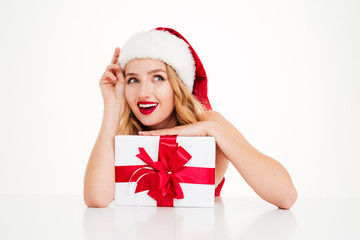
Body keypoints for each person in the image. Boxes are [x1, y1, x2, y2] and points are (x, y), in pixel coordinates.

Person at [83, 27, 297, 209]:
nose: (143, 93)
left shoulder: (209, 123)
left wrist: (213, 130)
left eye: (158, 77)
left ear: (178, 85)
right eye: (133, 80)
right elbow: (97, 198)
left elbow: (286, 196)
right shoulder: (125, 134)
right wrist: (112, 107)